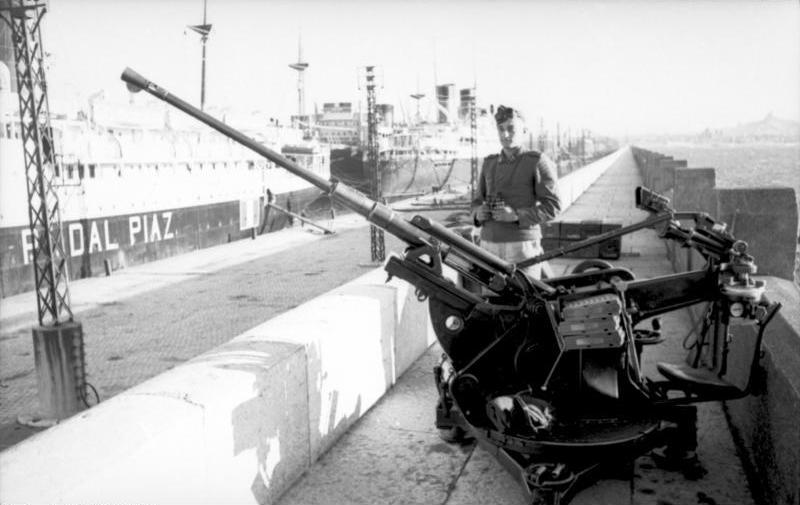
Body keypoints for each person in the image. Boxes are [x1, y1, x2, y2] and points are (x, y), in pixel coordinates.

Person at [471, 105, 561, 279]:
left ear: (524, 130)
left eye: (511, 129)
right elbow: (476, 202)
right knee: (490, 303)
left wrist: (517, 216)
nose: (505, 135)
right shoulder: (489, 163)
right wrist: (477, 214)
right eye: (501, 129)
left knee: (527, 302)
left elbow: (554, 207)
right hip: (488, 246)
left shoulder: (537, 162)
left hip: (521, 247)